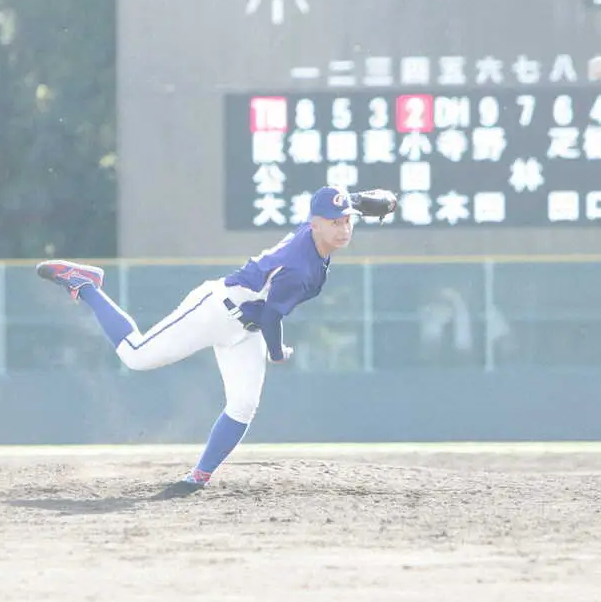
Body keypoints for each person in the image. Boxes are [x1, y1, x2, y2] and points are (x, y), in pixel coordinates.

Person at [36, 186, 396, 498]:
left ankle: (198, 476)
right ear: (315, 223)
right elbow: (272, 316)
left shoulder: (313, 229)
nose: (344, 227)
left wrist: (378, 201)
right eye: (335, 222)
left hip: (245, 328)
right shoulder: (300, 267)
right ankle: (83, 283)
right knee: (136, 355)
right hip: (216, 309)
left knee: (243, 405)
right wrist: (276, 352)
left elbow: (351, 201)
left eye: (348, 220)